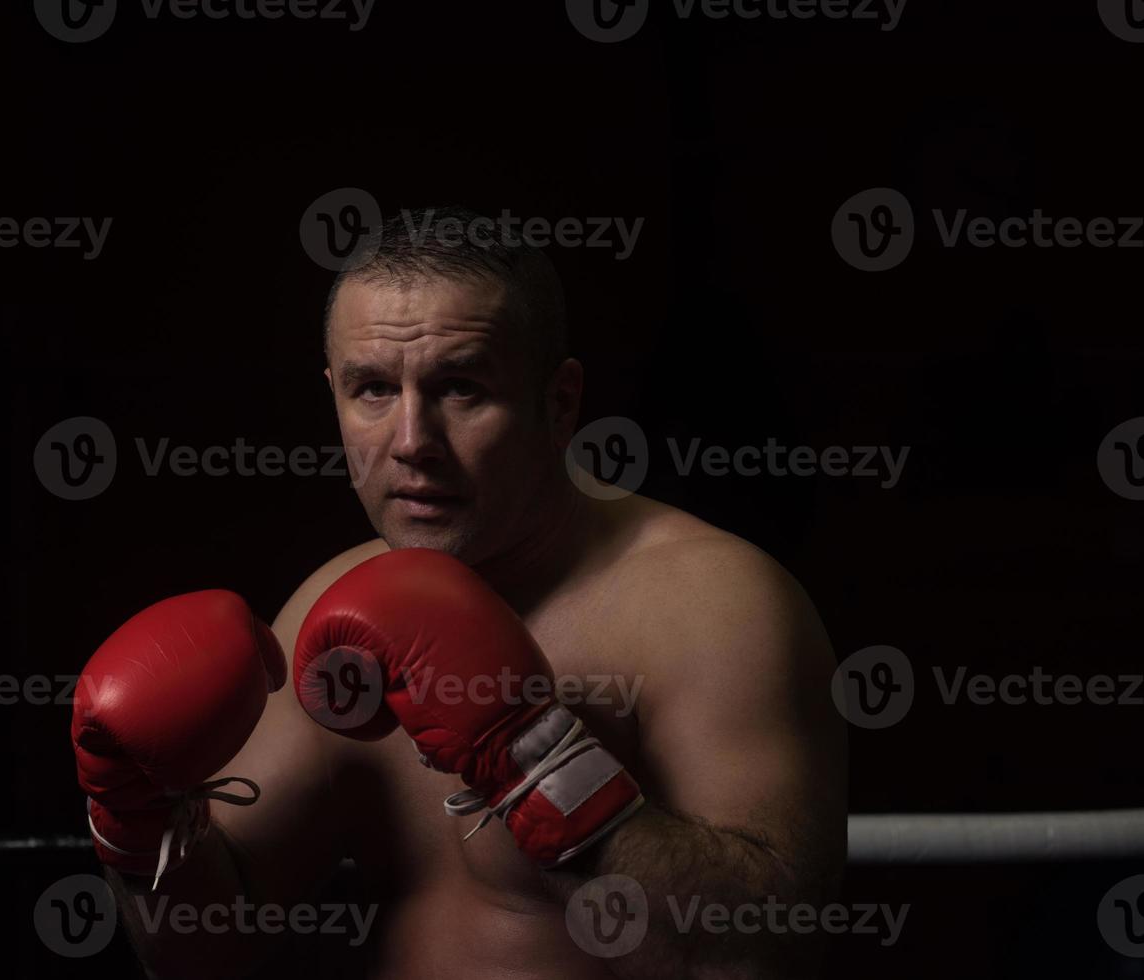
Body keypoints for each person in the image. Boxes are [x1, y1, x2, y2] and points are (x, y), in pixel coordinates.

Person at [72, 206, 848, 979]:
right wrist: (138, 815)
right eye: (372, 389)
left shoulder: (710, 603)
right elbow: (199, 950)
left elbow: (761, 953)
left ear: (560, 403)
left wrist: (534, 764)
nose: (411, 441)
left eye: (461, 388)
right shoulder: (324, 608)